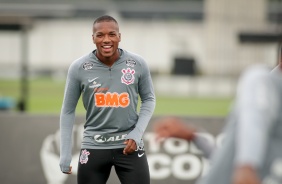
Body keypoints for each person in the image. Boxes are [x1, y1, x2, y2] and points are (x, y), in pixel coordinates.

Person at [154, 43, 282, 184]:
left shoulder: (262, 80)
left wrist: (247, 167)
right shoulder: (269, 87)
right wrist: (194, 137)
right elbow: (228, 166)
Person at [59, 15, 156, 184]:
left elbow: (149, 99)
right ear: (93, 38)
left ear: (119, 36)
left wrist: (137, 133)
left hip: (129, 146)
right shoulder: (78, 68)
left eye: (112, 34)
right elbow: (68, 111)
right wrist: (65, 153)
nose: (106, 40)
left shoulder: (138, 63)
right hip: (93, 146)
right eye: (100, 35)